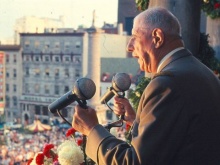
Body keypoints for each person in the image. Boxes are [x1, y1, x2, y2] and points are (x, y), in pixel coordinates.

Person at [72, 7, 220, 165]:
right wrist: (137, 120)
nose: (129, 46)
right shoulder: (204, 72)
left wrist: (92, 129)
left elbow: (135, 162)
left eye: (134, 37)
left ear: (157, 38)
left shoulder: (166, 84)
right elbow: (180, 138)